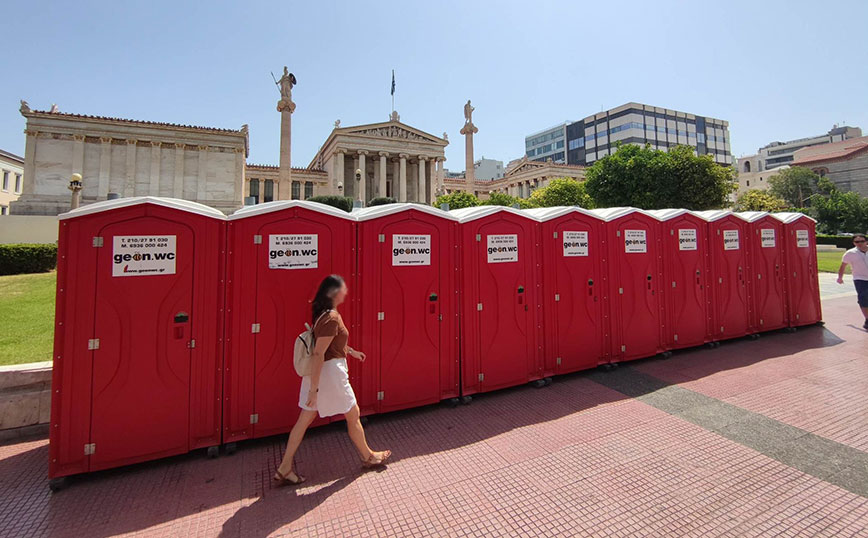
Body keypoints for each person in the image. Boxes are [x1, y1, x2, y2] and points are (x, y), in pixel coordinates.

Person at [274, 275, 391, 486]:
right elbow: (319, 354)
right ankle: (368, 456)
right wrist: (314, 390)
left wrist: (352, 352)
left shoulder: (324, 316)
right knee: (353, 414)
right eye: (343, 289)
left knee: (304, 421)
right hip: (330, 375)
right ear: (334, 293)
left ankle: (284, 468)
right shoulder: (331, 318)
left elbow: (329, 346)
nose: (346, 292)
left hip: (321, 375)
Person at [837, 233, 868, 330]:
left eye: (862, 241)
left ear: (866, 241)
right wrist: (840, 277)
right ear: (854, 243)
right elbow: (843, 265)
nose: (859, 243)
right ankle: (867, 319)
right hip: (860, 279)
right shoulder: (850, 253)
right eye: (857, 242)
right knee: (863, 299)